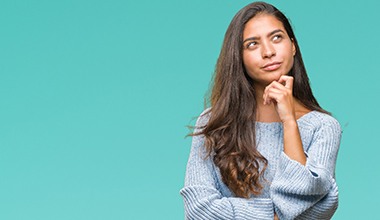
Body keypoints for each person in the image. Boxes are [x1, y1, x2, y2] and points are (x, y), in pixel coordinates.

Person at [180, 1, 342, 220]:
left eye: (277, 37)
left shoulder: (322, 127)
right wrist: (277, 215)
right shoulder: (212, 121)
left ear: (293, 46)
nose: (268, 52)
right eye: (252, 44)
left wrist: (289, 121)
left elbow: (313, 204)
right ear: (239, 56)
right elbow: (199, 210)